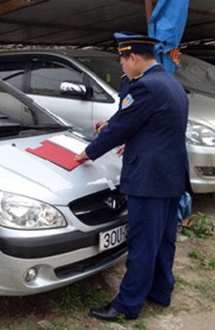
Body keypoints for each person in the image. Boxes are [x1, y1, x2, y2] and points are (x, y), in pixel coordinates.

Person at [75, 31, 191, 321]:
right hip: (171, 175)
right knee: (164, 240)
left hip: (149, 179)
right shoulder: (170, 84)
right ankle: (160, 291)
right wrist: (121, 128)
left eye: (123, 62)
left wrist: (88, 153)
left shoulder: (145, 87)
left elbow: (120, 128)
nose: (122, 68)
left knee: (142, 244)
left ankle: (127, 305)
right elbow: (152, 123)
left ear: (134, 58)